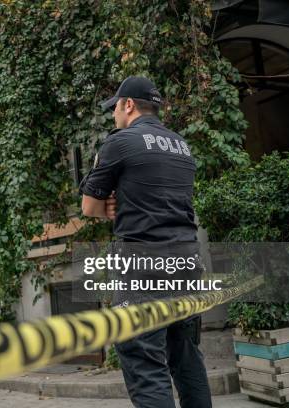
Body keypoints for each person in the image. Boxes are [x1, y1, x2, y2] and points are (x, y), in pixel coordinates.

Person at [79, 76, 212, 408]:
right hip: (185, 263)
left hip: (142, 266)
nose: (114, 116)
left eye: (115, 109)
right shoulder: (182, 145)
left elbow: (90, 207)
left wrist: (117, 204)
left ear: (128, 105)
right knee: (186, 357)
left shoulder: (120, 142)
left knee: (144, 363)